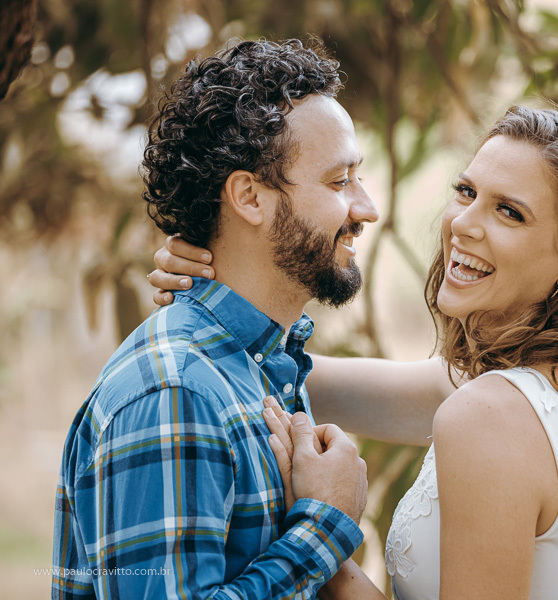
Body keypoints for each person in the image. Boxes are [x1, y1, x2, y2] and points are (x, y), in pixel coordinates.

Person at [151, 105, 558, 598]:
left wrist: (323, 529)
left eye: (510, 213)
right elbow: (292, 380)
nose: (465, 223)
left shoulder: (491, 415)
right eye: (466, 191)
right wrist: (216, 282)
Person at [52, 39, 375, 599]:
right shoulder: (176, 393)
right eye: (339, 180)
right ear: (249, 197)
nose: (367, 207)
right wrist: (323, 528)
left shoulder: (264, 367)